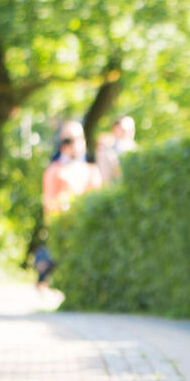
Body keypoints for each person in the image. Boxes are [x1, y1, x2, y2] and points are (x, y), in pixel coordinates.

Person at [34, 121, 101, 289]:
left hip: (84, 221)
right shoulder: (55, 170)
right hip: (62, 222)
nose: (78, 145)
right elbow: (49, 199)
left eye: (80, 139)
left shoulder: (90, 169)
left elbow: (97, 194)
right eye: (72, 140)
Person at [95, 116, 136, 186]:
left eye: (131, 130)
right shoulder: (106, 151)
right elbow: (105, 176)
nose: (126, 133)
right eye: (123, 130)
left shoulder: (137, 149)